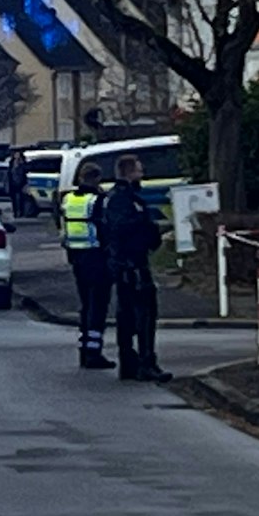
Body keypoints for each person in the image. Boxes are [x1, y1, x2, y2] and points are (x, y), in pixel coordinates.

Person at [101, 153, 171, 383]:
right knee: (143, 316)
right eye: (139, 171)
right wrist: (150, 231)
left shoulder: (117, 198)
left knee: (128, 316)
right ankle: (144, 363)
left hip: (124, 265)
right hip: (132, 266)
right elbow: (126, 230)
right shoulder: (125, 200)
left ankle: (130, 362)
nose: (142, 175)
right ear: (129, 173)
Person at [60, 162, 114, 370]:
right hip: (97, 257)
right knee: (98, 307)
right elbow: (105, 229)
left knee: (85, 306)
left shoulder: (69, 199)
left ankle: (84, 351)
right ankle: (93, 352)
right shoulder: (97, 200)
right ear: (97, 178)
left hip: (76, 257)